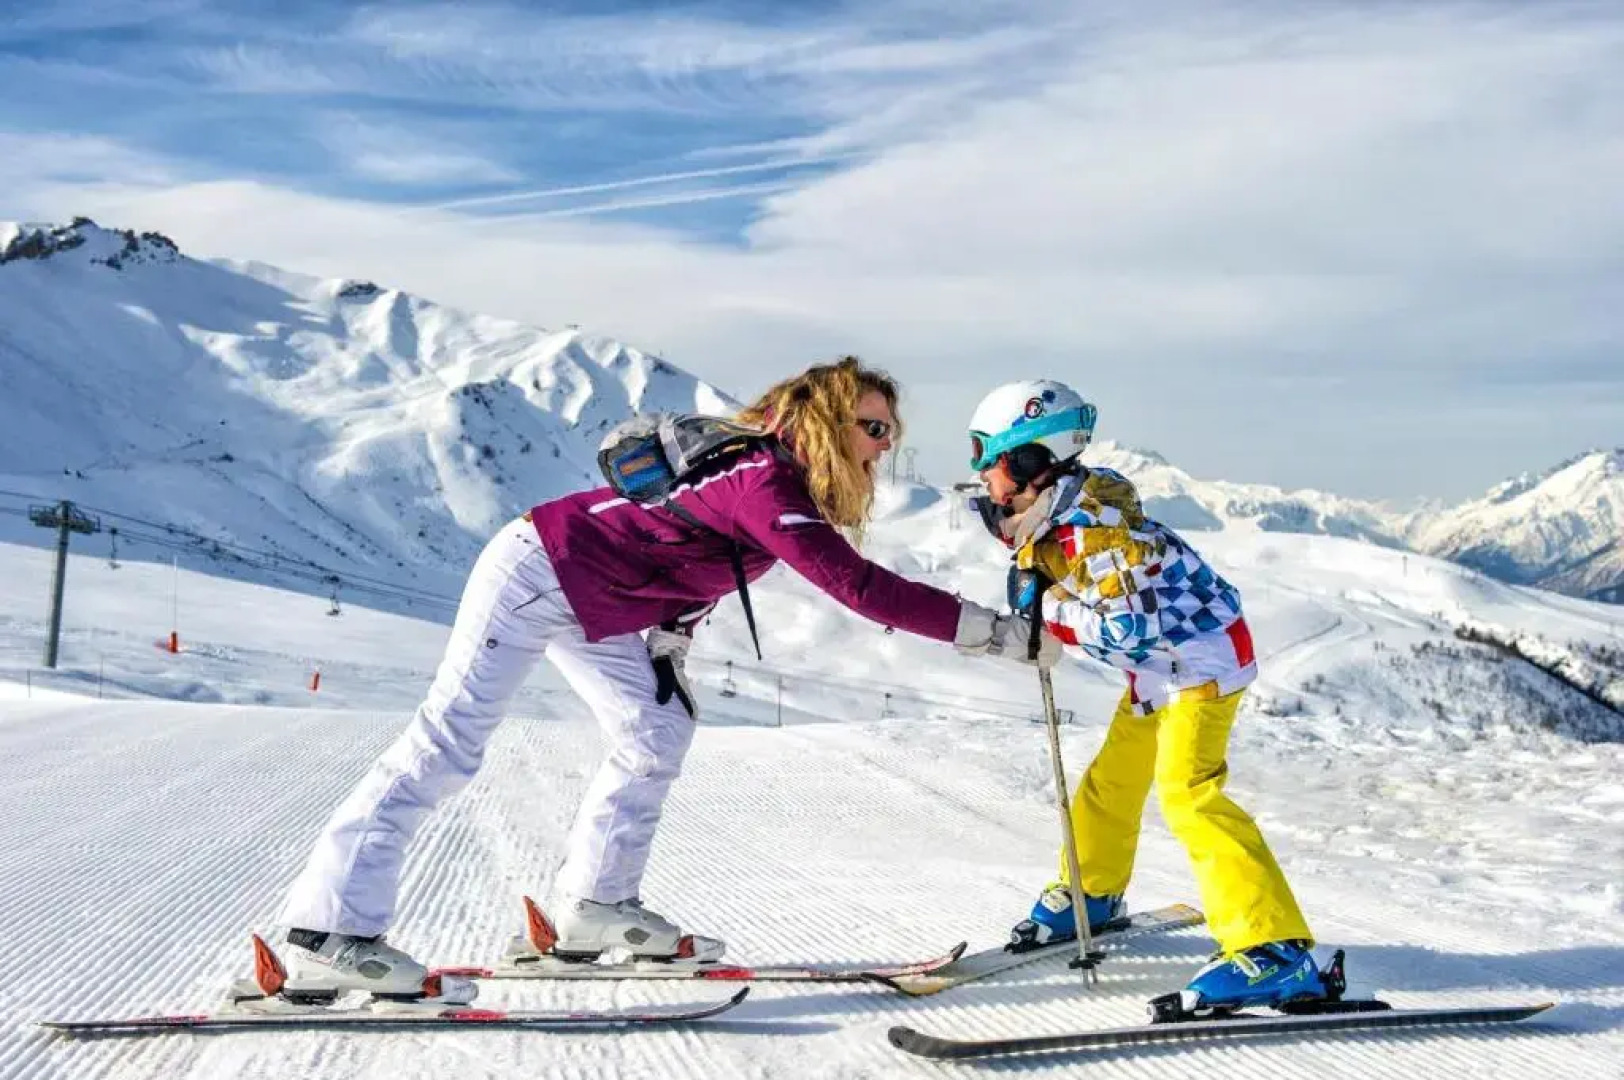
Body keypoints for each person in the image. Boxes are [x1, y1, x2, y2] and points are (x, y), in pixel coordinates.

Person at [268, 357, 1056, 1004]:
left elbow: (689, 554)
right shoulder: (765, 480)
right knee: (449, 744)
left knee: (658, 728)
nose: (885, 446)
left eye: (891, 431)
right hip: (538, 570)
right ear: (827, 418)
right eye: (875, 427)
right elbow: (858, 589)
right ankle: (324, 934)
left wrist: (671, 641)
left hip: (594, 600)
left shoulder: (767, 480)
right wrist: (995, 634)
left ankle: (594, 910)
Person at [964, 378, 1323, 1013]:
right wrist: (1033, 574)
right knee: (1112, 781)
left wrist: (1052, 618)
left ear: (1028, 460)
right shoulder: (1058, 515)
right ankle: (1091, 896)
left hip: (1201, 665)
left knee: (1190, 797)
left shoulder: (1099, 533)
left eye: (985, 456)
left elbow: (1126, 628)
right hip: (1160, 671)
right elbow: (1069, 576)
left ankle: (1275, 948)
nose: (979, 474)